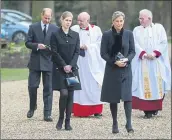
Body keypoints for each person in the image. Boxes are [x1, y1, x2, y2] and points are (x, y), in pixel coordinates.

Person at [131, 9, 171, 119]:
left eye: (142, 18)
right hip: (143, 62)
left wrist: (154, 53)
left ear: (149, 18)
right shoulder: (136, 30)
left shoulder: (159, 28)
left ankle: (155, 108)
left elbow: (163, 42)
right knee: (143, 86)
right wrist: (143, 53)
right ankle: (147, 110)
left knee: (157, 85)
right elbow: (134, 44)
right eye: (139, 18)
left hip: (156, 63)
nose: (140, 20)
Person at [100, 11, 135, 133]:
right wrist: (114, 62)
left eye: (121, 21)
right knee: (113, 97)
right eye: (117, 21)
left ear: (123, 21)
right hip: (112, 69)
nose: (119, 23)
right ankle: (114, 123)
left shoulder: (129, 34)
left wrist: (127, 59)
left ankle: (129, 123)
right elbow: (103, 53)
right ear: (112, 21)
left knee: (127, 97)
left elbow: (132, 51)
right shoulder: (107, 35)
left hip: (125, 69)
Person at [50, 11, 81, 131]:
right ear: (61, 20)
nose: (68, 22)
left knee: (71, 95)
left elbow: (77, 52)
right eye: (66, 20)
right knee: (64, 94)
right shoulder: (55, 34)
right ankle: (60, 118)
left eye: (70, 20)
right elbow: (54, 52)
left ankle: (68, 122)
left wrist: (71, 65)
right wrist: (64, 65)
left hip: (72, 70)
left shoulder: (76, 35)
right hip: (60, 70)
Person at [25, 8, 57, 122]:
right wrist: (37, 45)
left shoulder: (55, 28)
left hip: (49, 61)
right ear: (41, 15)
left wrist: (52, 48)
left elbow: (57, 45)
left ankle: (47, 113)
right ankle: (32, 106)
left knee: (48, 89)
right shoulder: (33, 27)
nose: (47, 20)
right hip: (35, 61)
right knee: (32, 86)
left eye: (49, 18)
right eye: (45, 17)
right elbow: (27, 43)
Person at [71, 12, 105, 118]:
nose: (79, 22)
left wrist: (88, 46)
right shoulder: (74, 29)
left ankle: (96, 110)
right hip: (78, 62)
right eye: (78, 20)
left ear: (88, 21)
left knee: (93, 84)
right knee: (78, 84)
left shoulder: (96, 30)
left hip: (92, 62)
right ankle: (78, 109)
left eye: (81, 20)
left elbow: (101, 44)